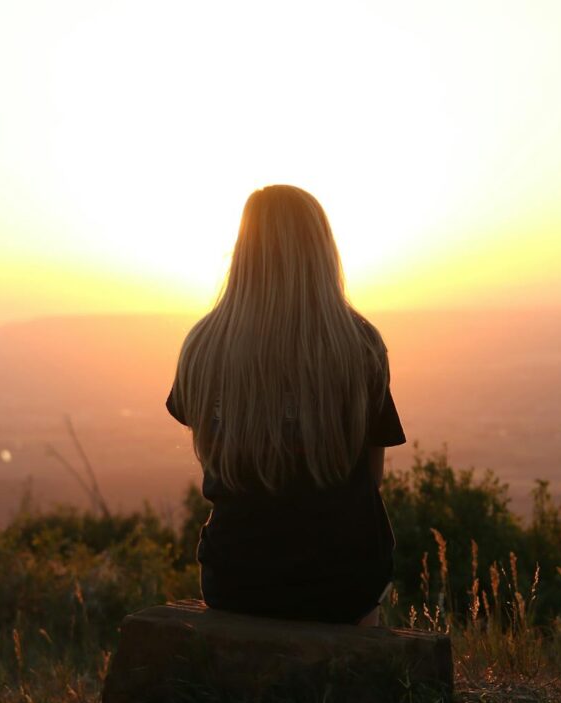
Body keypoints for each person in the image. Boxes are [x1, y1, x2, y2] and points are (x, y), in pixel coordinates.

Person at [165, 184, 405, 627]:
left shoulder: (202, 346)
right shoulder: (361, 346)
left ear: (243, 251)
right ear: (322, 252)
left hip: (235, 580)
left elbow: (213, 456)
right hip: (342, 584)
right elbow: (371, 479)